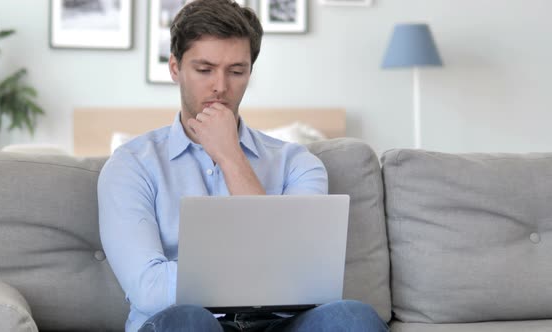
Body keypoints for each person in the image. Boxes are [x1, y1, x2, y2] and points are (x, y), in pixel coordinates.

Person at [97, 0, 389, 331]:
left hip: (279, 324)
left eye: (236, 71)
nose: (220, 86)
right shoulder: (131, 165)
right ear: (175, 68)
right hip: (186, 323)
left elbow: (300, 279)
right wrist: (262, 267)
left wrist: (230, 156)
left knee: (353, 317)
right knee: (188, 319)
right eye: (204, 70)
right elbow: (149, 291)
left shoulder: (298, 165)